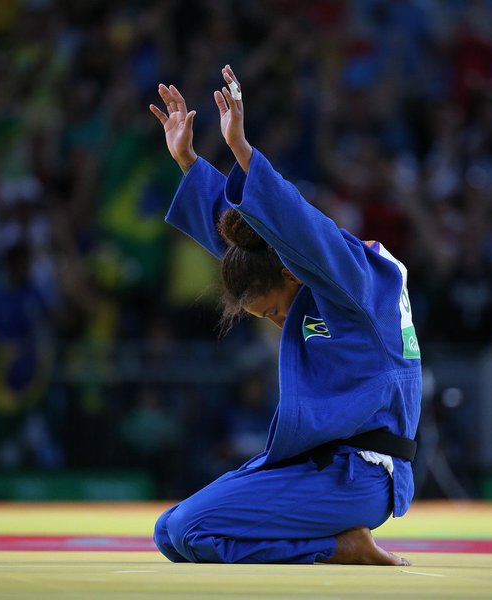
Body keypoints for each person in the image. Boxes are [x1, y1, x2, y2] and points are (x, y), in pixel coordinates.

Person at [147, 66, 421, 565]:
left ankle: (341, 545)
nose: (276, 323)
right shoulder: (311, 281)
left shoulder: (356, 281)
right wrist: (188, 160)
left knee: (192, 529)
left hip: (362, 473)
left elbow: (299, 230)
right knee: (169, 531)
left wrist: (244, 153)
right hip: (320, 467)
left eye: (272, 310)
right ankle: (338, 542)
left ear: (293, 273)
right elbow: (251, 246)